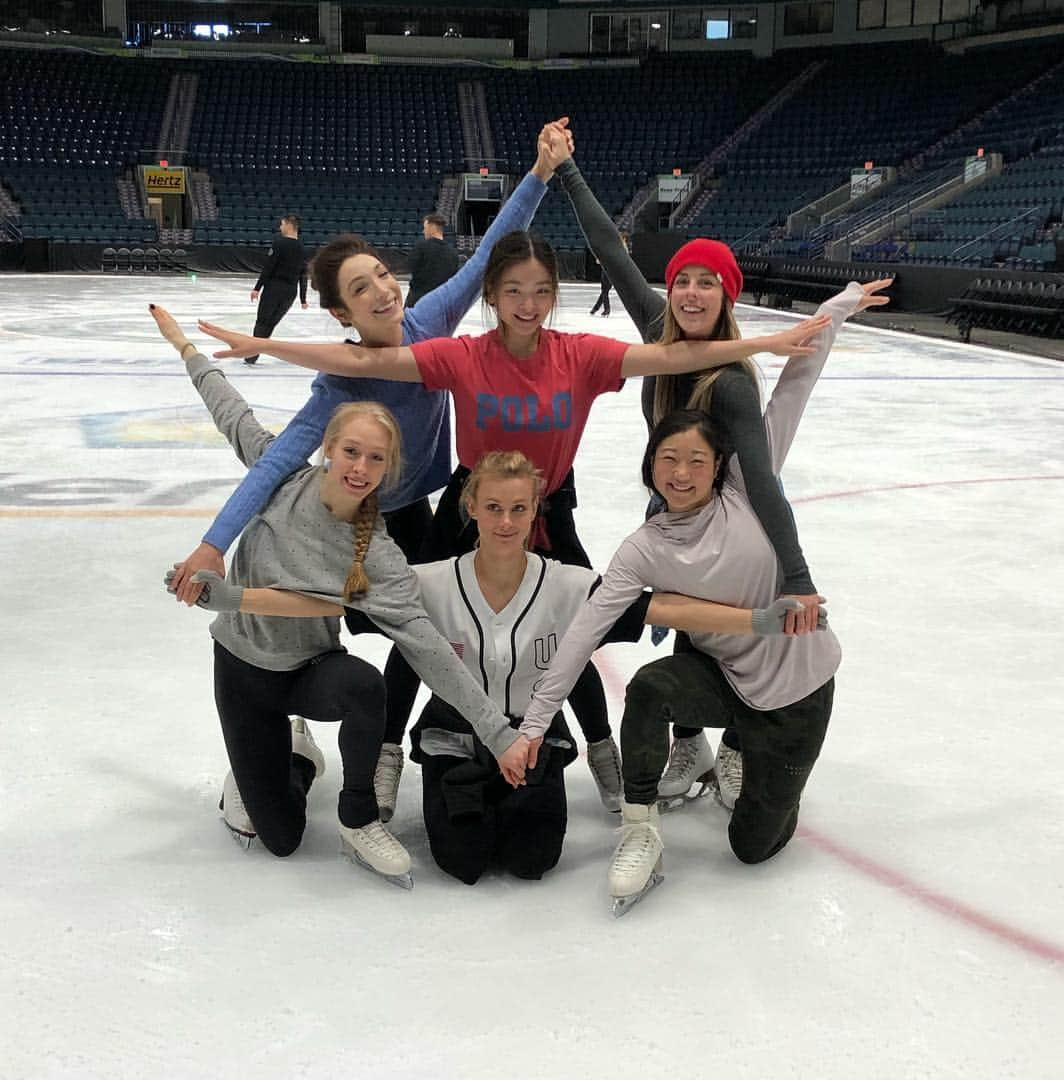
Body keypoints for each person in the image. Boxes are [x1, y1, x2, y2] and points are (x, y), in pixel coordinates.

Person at [195, 226, 831, 814]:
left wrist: (768, 343)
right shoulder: (463, 356)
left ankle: (602, 752)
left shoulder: (580, 354)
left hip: (547, 511)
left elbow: (670, 357)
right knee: (418, 628)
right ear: (493, 296)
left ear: (554, 295)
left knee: (580, 625)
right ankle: (389, 750)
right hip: (470, 513)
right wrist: (263, 345)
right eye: (513, 291)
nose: (528, 304)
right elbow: (365, 363)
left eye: (541, 291)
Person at [165, 122, 571, 821]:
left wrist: (538, 173)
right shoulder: (334, 392)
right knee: (375, 634)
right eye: (363, 288)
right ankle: (333, 744)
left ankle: (429, 741)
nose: (384, 291)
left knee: (441, 633)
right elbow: (267, 469)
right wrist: (213, 545)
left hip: (424, 512)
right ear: (339, 312)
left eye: (383, 275)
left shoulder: (430, 319)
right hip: (357, 522)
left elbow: (484, 262)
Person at [260, 450, 807, 884]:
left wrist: (760, 620)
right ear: (470, 507)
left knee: (533, 862)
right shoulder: (425, 582)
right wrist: (235, 597)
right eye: (493, 507)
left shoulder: (566, 585)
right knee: (461, 863)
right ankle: (306, 758)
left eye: (518, 508)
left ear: (535, 511)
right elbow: (330, 602)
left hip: (533, 740)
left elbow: (658, 607)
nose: (505, 521)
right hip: (455, 737)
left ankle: (563, 777)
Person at [515, 280, 889, 914]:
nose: (681, 473)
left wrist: (840, 304)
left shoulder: (746, 489)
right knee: (652, 686)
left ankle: (760, 766)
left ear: (720, 464)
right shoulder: (642, 549)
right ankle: (640, 824)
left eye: (695, 459)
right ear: (650, 464)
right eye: (668, 459)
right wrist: (530, 726)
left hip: (797, 698)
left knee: (753, 845)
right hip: (727, 680)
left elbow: (796, 385)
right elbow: (584, 634)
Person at [553, 134, 889, 810]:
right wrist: (566, 170)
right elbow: (612, 250)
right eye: (683, 278)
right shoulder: (657, 332)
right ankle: (689, 742)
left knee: (732, 617)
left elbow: (763, 478)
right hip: (674, 501)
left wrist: (795, 573)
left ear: (727, 295)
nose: (692, 290)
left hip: (732, 507)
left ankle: (733, 743)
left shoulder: (732, 383)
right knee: (687, 619)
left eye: (708, 281)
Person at [150, 304, 525, 889]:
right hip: (243, 672)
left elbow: (427, 648)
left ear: (389, 469)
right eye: (351, 451)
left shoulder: (376, 553)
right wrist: (188, 351)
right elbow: (230, 411)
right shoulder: (278, 477)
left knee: (363, 684)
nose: (361, 466)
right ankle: (293, 757)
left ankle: (356, 818)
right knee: (280, 839)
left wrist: (498, 734)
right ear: (329, 447)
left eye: (376, 458)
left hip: (308, 672)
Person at [246, 214, 308, 366]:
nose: (280, 227)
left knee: (262, 322)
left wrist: (257, 288)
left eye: (281, 224)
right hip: (290, 293)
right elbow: (303, 274)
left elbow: (269, 267)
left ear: (288, 224)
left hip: (274, 288)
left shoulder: (279, 243)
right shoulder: (302, 247)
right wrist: (303, 298)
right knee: (271, 324)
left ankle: (251, 355)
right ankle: (254, 353)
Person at [405, 213, 459, 308]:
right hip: (441, 303)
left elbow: (410, 266)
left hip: (418, 301)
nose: (423, 231)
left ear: (432, 227)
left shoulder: (421, 246)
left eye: (425, 228)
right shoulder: (453, 253)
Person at [588, 232, 626, 317]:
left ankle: (606, 310)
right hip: (612, 271)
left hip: (609, 270)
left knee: (604, 291)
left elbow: (600, 260)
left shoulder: (613, 247)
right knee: (604, 291)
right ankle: (595, 309)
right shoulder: (620, 248)